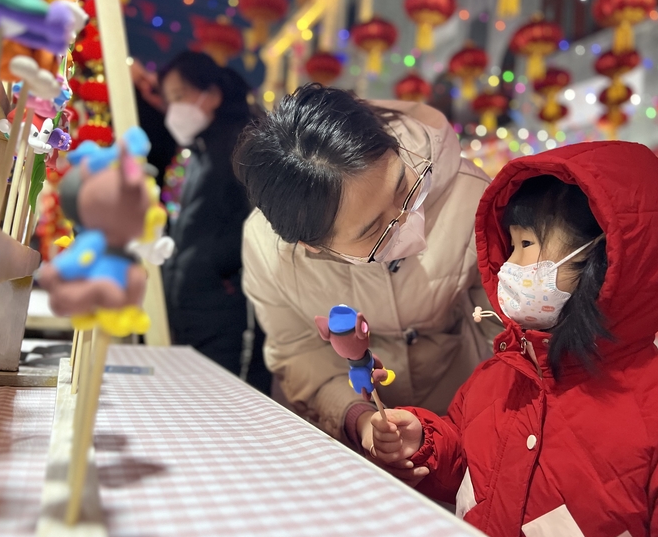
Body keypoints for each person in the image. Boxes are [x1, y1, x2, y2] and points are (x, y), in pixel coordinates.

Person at [367, 142, 658, 537]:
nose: (509, 266)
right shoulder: (497, 374)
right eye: (511, 245)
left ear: (602, 255)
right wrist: (425, 441)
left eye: (527, 245)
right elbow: (464, 467)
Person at [233, 84, 501, 452]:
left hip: (457, 413)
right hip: (344, 439)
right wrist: (358, 419)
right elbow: (298, 354)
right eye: (374, 230)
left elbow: (502, 328)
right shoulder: (268, 250)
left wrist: (473, 422)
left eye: (403, 188)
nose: (408, 221)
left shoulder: (470, 195)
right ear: (312, 245)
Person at [159, 51, 269, 394]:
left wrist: (219, 269)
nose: (173, 108)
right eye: (168, 99)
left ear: (213, 94)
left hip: (224, 312)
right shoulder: (203, 149)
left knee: (211, 402)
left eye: (180, 96)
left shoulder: (243, 146)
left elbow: (260, 224)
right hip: (195, 306)